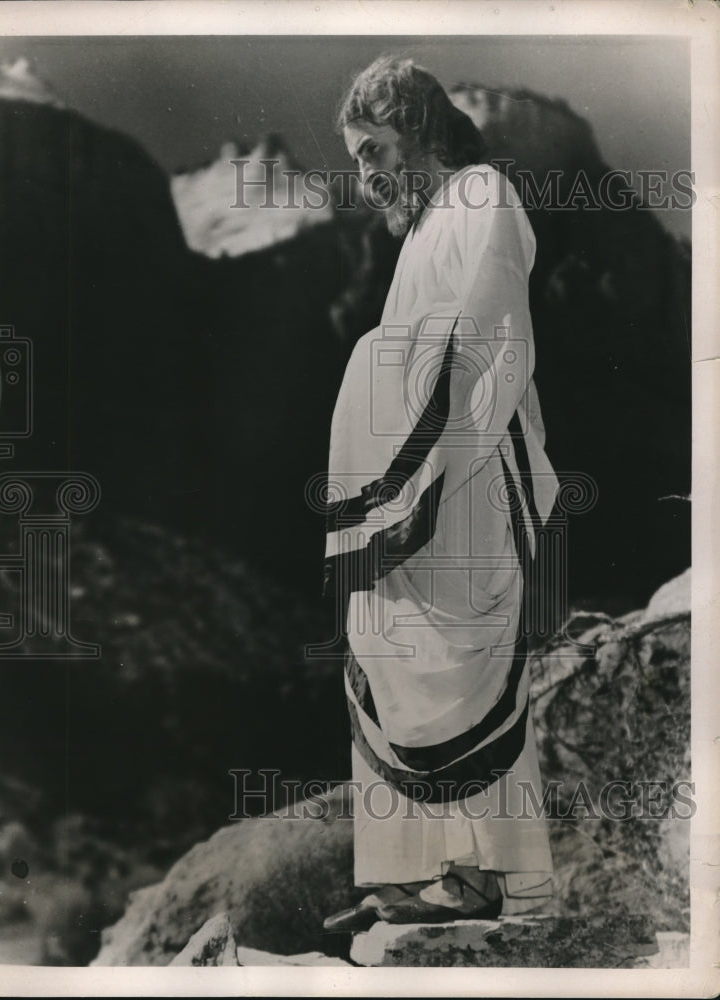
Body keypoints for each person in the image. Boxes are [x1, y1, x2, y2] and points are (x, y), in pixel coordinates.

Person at [322, 56, 559, 932]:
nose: (365, 172)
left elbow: (491, 317)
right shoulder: (422, 224)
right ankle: (434, 873)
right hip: (411, 471)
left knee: (469, 670)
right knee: (387, 642)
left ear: (417, 130)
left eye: (373, 147)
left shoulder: (479, 194)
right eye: (354, 158)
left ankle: (508, 882)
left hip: (462, 469)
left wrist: (414, 412)